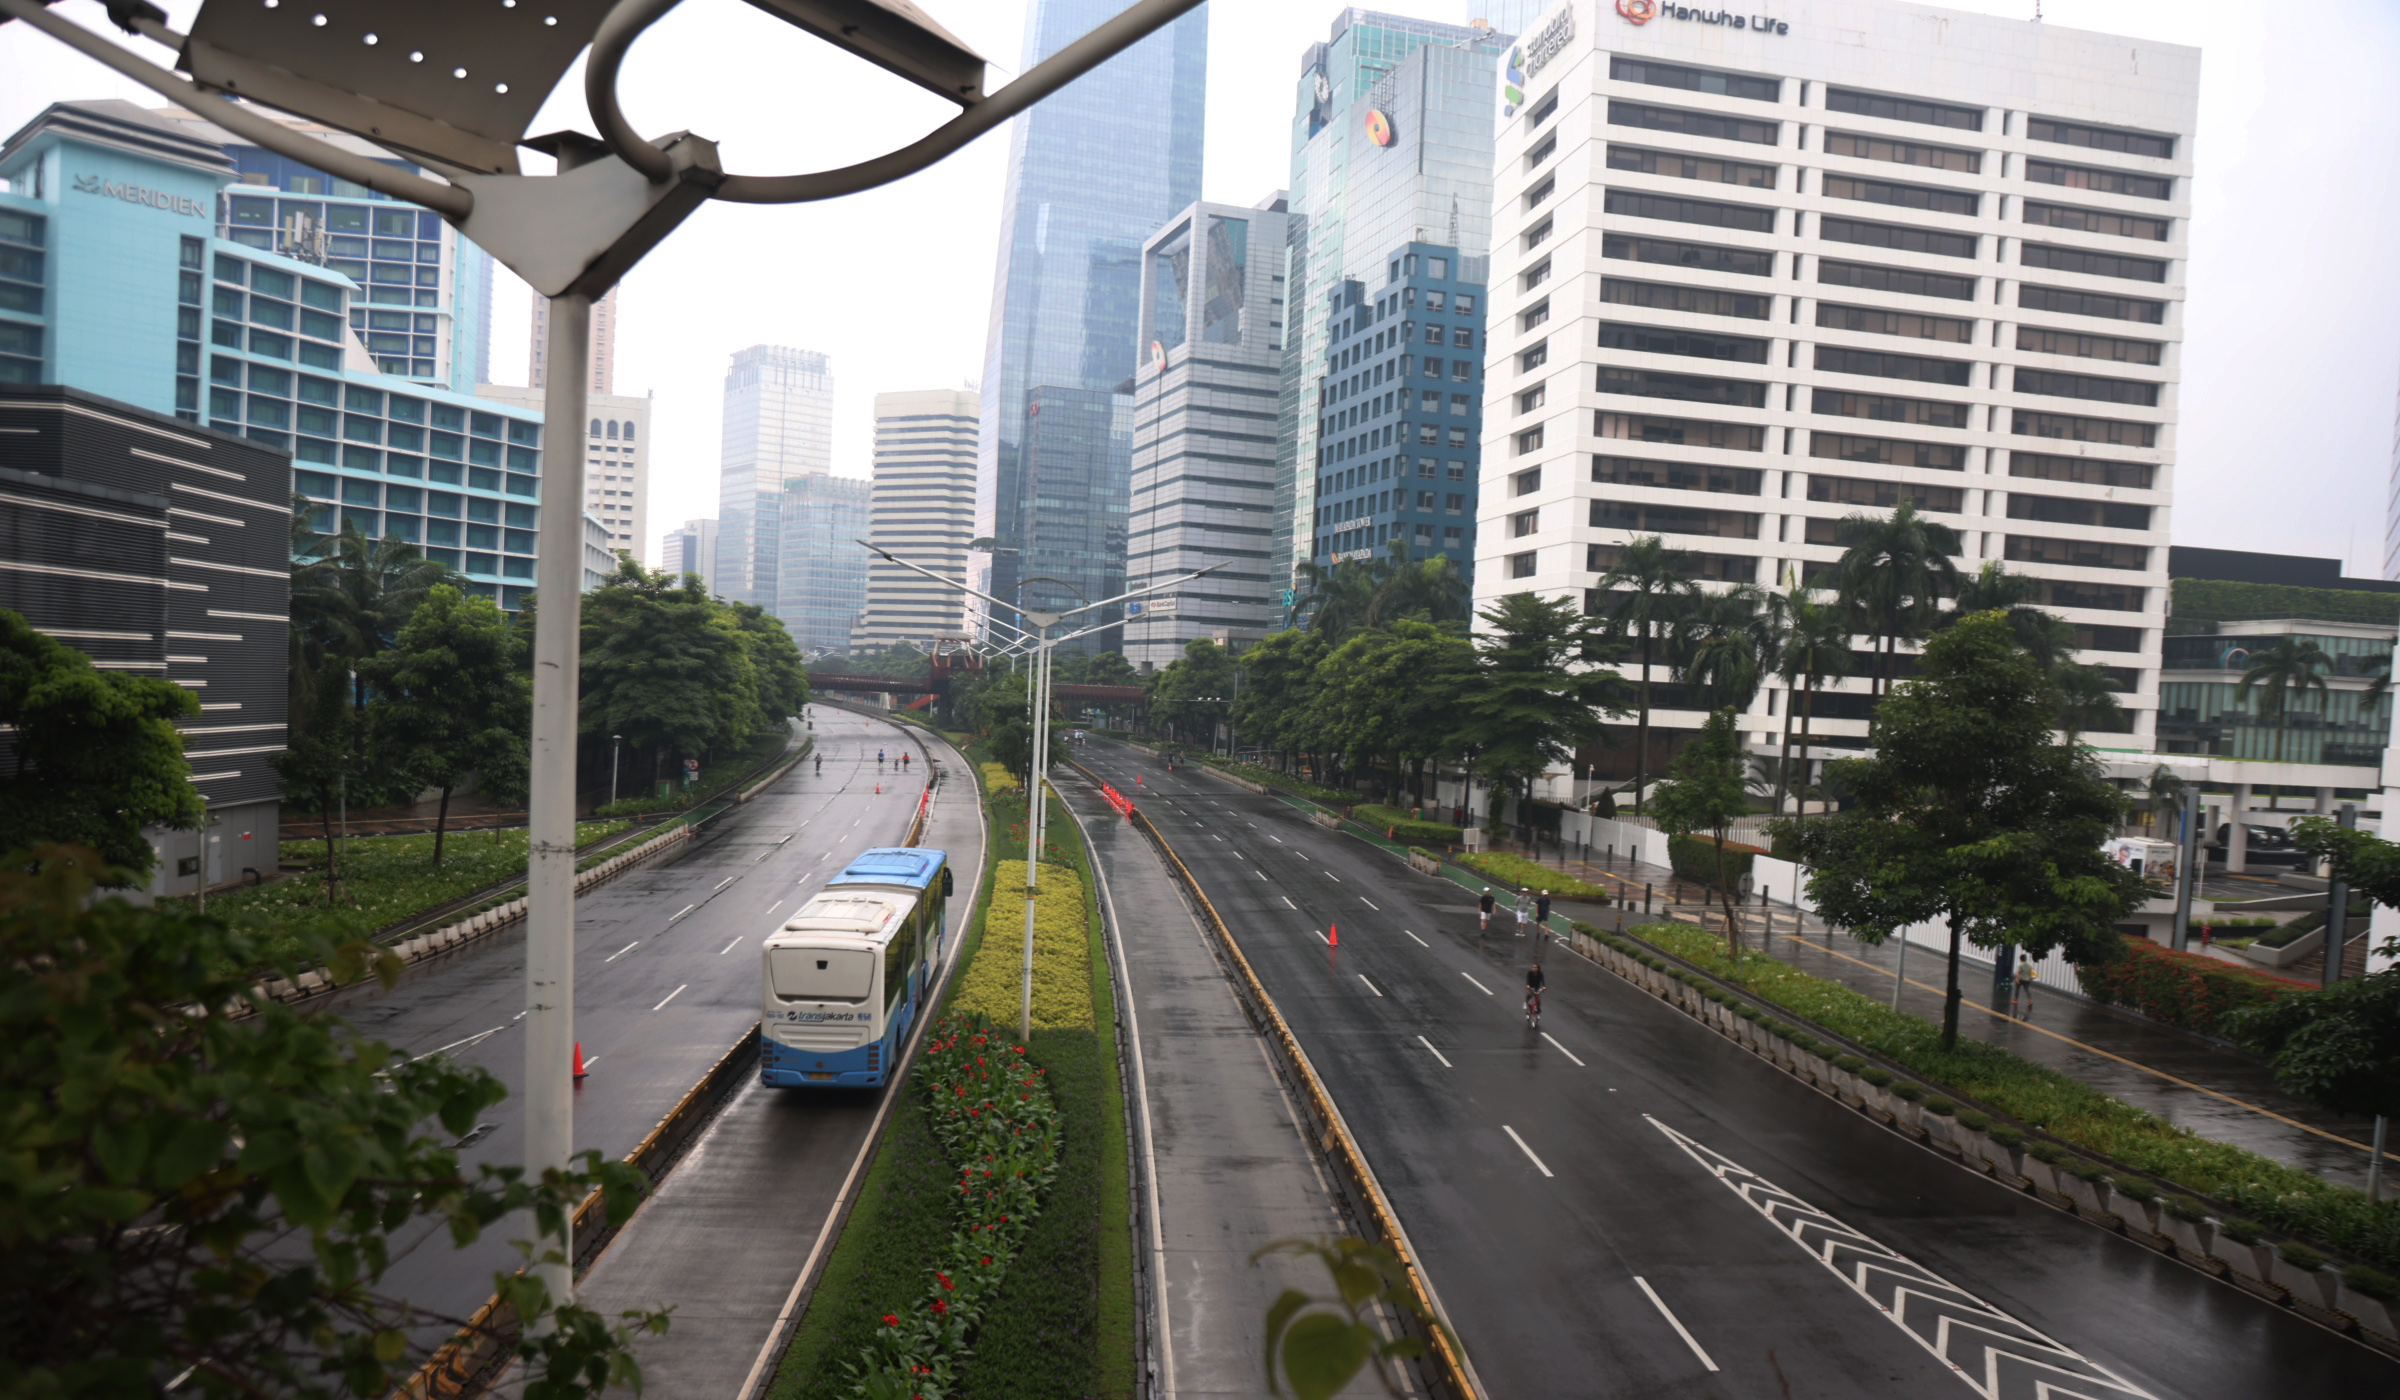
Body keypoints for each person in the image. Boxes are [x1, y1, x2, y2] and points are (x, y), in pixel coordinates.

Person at [1524, 962, 1546, 1027]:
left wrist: (1544, 986)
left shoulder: (1540, 974)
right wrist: (1528, 985)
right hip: (1530, 987)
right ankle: (1526, 1003)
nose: (1534, 968)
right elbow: (1528, 980)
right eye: (1533, 967)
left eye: (1535, 967)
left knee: (1538, 1001)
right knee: (1530, 994)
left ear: (1538, 969)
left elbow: (1543, 981)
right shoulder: (1530, 973)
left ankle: (1538, 1013)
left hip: (1537, 987)